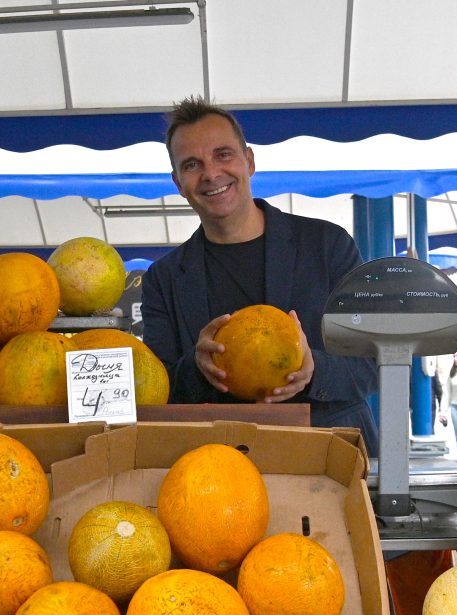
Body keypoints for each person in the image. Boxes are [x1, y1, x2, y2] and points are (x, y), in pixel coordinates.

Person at [139, 96, 379, 451]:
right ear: (178, 182)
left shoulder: (327, 245)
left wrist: (315, 371)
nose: (210, 174)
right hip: (218, 464)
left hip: (331, 454)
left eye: (223, 154)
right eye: (192, 164)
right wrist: (196, 366)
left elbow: (372, 362)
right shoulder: (164, 279)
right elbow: (155, 390)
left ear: (248, 161)